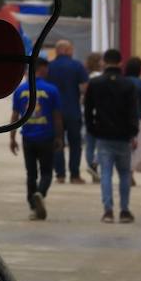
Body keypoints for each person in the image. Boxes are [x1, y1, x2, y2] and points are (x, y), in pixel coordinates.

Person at [85, 48, 140, 224]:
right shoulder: (128, 84)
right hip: (123, 136)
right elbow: (133, 111)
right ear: (120, 62)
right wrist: (133, 133)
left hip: (103, 134)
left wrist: (92, 129)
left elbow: (88, 110)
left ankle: (108, 211)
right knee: (124, 174)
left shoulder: (95, 83)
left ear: (104, 62)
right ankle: (124, 210)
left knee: (106, 173)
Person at [10, 57, 64, 220]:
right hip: (46, 137)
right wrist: (59, 137)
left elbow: (15, 116)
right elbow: (57, 117)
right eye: (46, 69)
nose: (48, 72)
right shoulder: (52, 90)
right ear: (41, 69)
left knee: (31, 173)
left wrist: (12, 138)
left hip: (28, 137)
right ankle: (40, 193)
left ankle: (33, 206)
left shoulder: (20, 90)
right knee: (46, 172)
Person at [46, 39, 89, 184]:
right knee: (75, 144)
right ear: (65, 50)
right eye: (71, 49)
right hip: (73, 111)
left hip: (53, 112)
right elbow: (85, 87)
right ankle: (75, 175)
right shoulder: (77, 66)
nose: (72, 52)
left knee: (57, 142)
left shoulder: (49, 67)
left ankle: (60, 175)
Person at [84, 51, 104, 179]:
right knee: (102, 143)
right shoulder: (101, 77)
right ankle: (95, 163)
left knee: (90, 144)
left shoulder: (87, 77)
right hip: (102, 113)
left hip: (88, 112)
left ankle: (91, 165)